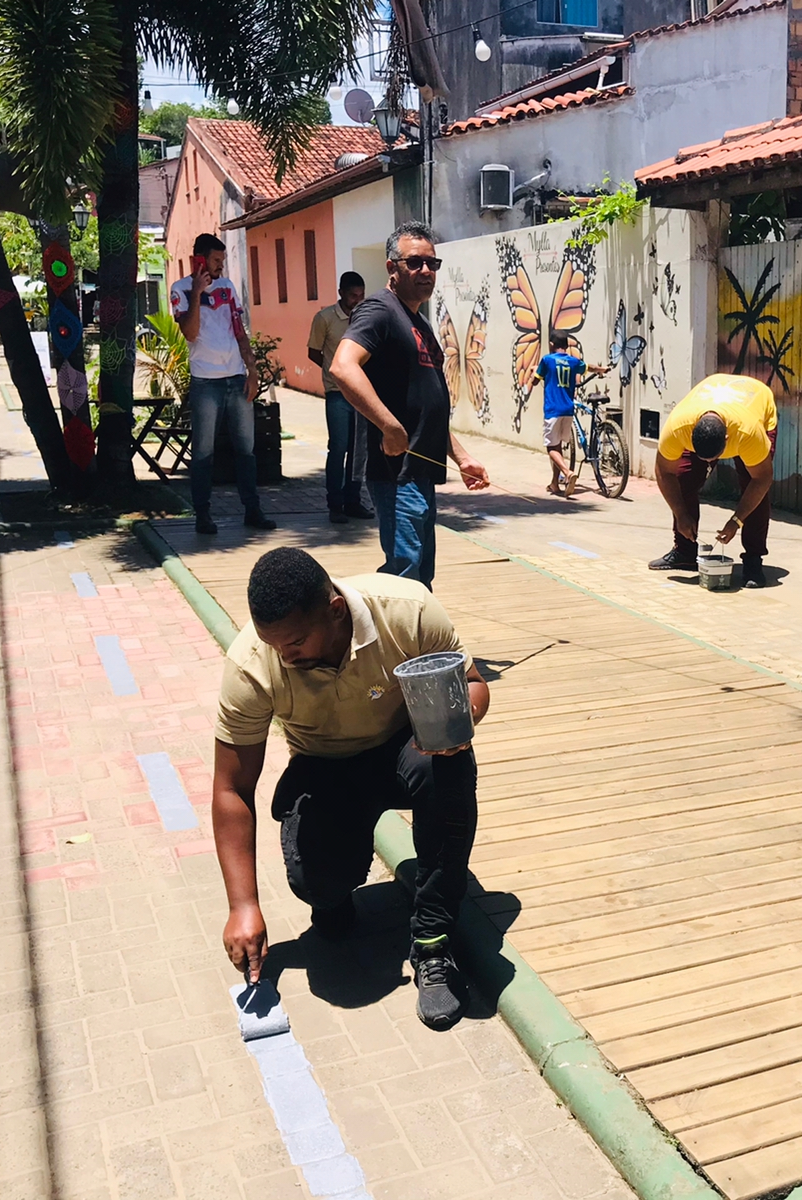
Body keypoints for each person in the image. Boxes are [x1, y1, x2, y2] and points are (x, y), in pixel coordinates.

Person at [211, 547, 490, 1030]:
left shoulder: (409, 610)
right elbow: (231, 788)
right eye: (273, 644)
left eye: (295, 642)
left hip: (409, 746)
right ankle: (334, 899)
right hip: (325, 764)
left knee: (448, 770)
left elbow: (471, 684)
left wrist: (453, 727)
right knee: (318, 883)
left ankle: (432, 942)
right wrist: (243, 906)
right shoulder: (252, 665)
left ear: (335, 610)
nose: (284, 656)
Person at [331, 221, 490, 588]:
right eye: (415, 263)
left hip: (419, 473)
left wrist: (462, 457)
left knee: (420, 573)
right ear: (392, 267)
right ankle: (393, 642)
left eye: (432, 264)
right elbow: (343, 366)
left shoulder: (417, 320)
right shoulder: (379, 310)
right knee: (405, 574)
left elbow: (425, 406)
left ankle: (417, 643)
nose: (425, 272)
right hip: (395, 474)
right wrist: (389, 426)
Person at [171, 232, 276, 536]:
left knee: (247, 450)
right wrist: (196, 293)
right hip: (206, 382)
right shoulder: (180, 290)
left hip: (235, 377)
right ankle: (202, 515)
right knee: (203, 451)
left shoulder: (228, 288)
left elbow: (239, 331)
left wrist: (252, 370)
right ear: (200, 259)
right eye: (216, 260)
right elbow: (190, 333)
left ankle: (252, 509)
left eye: (222, 260)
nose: (221, 267)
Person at [648, 373, 779, 587]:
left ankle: (754, 561)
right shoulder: (677, 428)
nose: (710, 464)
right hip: (715, 398)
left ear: (727, 440)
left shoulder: (748, 433)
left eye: (714, 459)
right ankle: (685, 551)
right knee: (684, 477)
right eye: (704, 458)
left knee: (751, 484)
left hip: (754, 402)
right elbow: (664, 471)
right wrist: (681, 513)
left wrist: (736, 521)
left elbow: (763, 479)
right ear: (691, 437)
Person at [308, 271, 374, 524]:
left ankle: (354, 500)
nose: (357, 300)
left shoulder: (367, 318)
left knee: (359, 451)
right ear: (341, 294)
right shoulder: (325, 318)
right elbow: (315, 352)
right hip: (337, 393)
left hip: (362, 394)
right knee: (338, 448)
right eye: (352, 296)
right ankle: (335, 504)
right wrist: (333, 372)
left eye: (361, 295)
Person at [534, 332, 608, 496]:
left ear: (552, 344)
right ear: (566, 346)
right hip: (568, 410)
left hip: (553, 410)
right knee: (558, 446)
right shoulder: (574, 362)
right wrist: (602, 369)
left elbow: (535, 379)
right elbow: (590, 367)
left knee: (551, 448)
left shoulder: (547, 360)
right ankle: (554, 484)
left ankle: (567, 473)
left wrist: (535, 373)